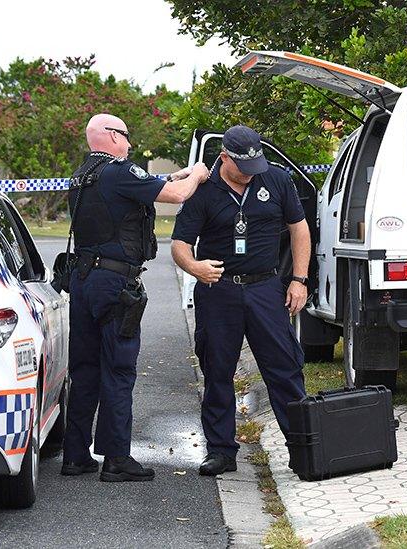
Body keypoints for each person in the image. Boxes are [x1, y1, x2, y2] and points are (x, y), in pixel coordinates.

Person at [62, 113, 209, 481]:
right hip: (115, 285)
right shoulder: (118, 170)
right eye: (126, 137)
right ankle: (116, 459)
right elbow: (175, 196)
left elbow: (152, 185)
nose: (129, 144)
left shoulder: (84, 175)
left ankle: (76, 456)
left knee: (85, 371)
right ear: (111, 136)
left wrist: (173, 175)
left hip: (83, 281)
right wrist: (196, 175)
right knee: (118, 369)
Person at [171, 125, 311, 475]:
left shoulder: (276, 180)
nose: (251, 174)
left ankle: (303, 446)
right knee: (217, 369)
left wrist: (299, 279)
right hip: (219, 291)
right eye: (243, 167)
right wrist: (195, 268)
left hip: (266, 288)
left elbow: (300, 228)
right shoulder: (203, 190)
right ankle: (221, 451)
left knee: (284, 368)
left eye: (255, 165)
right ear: (224, 157)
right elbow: (180, 245)